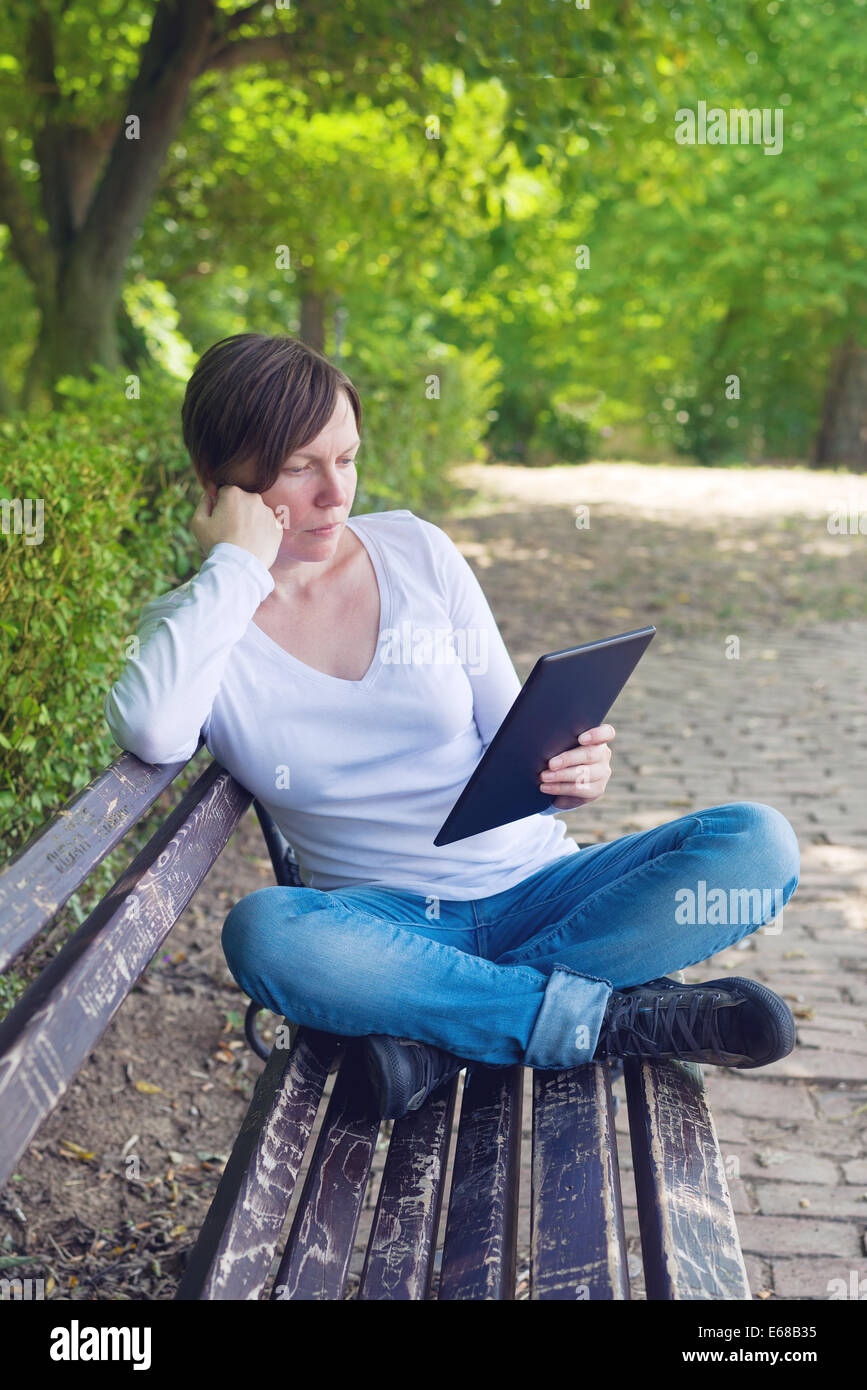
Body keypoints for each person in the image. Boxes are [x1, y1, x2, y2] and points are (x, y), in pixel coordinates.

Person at [104, 332, 801, 1121]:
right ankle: (603, 1019)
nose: (336, 493)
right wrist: (234, 568)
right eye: (300, 468)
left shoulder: (415, 551)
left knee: (756, 843)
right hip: (386, 934)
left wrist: (570, 777)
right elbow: (155, 732)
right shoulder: (201, 627)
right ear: (218, 481)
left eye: (348, 457)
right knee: (265, 933)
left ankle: (442, 1034)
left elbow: (514, 740)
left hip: (538, 889)